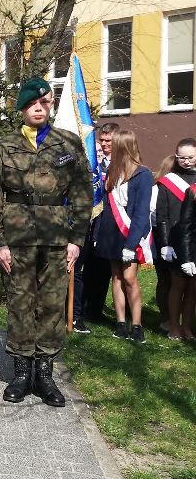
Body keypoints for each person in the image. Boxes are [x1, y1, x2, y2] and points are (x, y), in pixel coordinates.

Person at [0, 78, 91, 407]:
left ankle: (44, 374)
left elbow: (83, 194)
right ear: (23, 107)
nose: (40, 108)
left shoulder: (68, 143)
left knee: (53, 304)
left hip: (57, 238)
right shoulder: (4, 146)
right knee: (20, 303)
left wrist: (76, 240)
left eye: (45, 103)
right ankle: (20, 372)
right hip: (16, 239)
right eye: (33, 104)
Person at [94, 129, 153, 344]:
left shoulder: (143, 174)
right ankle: (120, 323)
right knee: (116, 276)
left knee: (129, 278)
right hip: (111, 233)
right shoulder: (112, 171)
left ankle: (136, 324)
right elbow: (108, 206)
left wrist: (131, 243)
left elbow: (141, 212)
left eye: (114, 144)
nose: (107, 146)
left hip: (130, 233)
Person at [76, 122, 119, 327]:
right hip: (88, 222)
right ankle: (78, 309)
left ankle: (95, 309)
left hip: (108, 225)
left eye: (108, 140)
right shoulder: (93, 162)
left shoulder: (120, 164)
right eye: (101, 140)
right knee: (83, 268)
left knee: (102, 271)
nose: (103, 144)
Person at [159, 140, 196, 340]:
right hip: (175, 240)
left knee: (192, 288)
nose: (186, 161)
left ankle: (188, 327)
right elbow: (162, 215)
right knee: (178, 285)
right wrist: (165, 244)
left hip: (194, 241)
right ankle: (174, 326)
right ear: (176, 155)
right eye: (182, 157)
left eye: (191, 157)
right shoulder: (168, 181)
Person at [151, 155, 177, 329]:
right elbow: (155, 216)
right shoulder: (157, 189)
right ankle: (166, 318)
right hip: (163, 238)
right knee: (166, 279)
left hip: (183, 237)